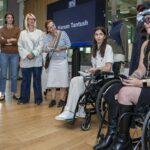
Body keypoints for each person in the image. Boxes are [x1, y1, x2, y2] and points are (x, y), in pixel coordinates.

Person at [94, 12, 150, 150]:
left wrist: (140, 83)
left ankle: (123, 140)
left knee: (124, 93)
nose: (146, 23)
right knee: (112, 89)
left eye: (149, 20)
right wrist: (133, 78)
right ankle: (112, 135)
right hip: (145, 83)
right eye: (146, 20)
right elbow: (141, 69)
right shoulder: (146, 44)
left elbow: (142, 80)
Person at [55, 26, 113, 121]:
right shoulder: (94, 49)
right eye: (96, 34)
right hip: (94, 77)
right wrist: (89, 70)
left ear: (105, 36)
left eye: (101, 34)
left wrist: (96, 69)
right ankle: (71, 110)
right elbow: (94, 66)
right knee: (74, 80)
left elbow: (108, 67)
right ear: (94, 36)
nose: (98, 37)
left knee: (79, 83)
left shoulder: (108, 48)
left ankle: (72, 111)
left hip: (104, 78)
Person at [43, 19, 71, 107]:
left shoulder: (63, 33)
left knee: (63, 80)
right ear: (48, 30)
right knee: (52, 81)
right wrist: (54, 37)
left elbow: (69, 44)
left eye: (53, 26)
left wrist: (61, 48)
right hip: (53, 61)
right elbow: (47, 48)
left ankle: (62, 100)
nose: (52, 28)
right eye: (50, 27)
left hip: (62, 60)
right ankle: (53, 99)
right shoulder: (47, 37)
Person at [17, 13, 43, 105]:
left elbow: (41, 45)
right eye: (29, 19)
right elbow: (20, 46)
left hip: (37, 60)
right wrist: (27, 54)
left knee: (37, 81)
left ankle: (38, 100)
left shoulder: (40, 32)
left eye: (33, 19)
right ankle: (24, 99)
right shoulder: (22, 33)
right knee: (25, 81)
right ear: (26, 21)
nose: (31, 21)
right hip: (26, 60)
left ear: (35, 21)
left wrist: (33, 54)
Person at [0, 12, 20, 101]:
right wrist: (11, 39)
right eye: (8, 17)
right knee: (3, 74)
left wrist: (6, 40)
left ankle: (14, 93)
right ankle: (2, 93)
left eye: (11, 17)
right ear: (6, 19)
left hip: (15, 54)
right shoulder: (1, 29)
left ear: (13, 19)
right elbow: (1, 41)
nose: (10, 19)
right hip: (4, 54)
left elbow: (18, 41)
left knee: (14, 75)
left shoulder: (17, 29)